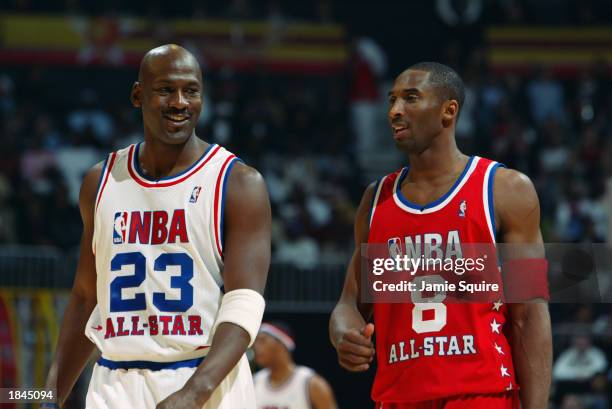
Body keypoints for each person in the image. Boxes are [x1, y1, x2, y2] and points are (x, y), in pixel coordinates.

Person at [44, 44, 271, 409]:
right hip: (115, 380)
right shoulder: (100, 182)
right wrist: (46, 397)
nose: (180, 102)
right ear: (138, 95)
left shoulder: (238, 182)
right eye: (166, 89)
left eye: (191, 90)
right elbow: (88, 296)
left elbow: (244, 303)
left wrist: (194, 393)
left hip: (205, 378)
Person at [329, 62, 552, 409]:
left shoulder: (505, 189)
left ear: (449, 111)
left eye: (410, 99)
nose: (394, 111)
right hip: (397, 398)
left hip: (480, 394)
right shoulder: (375, 200)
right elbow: (349, 304)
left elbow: (530, 315)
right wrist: (344, 334)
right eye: (391, 100)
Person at [253, 322, 338, 409]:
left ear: (282, 344)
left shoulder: (311, 383)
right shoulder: (254, 382)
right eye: (256, 342)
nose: (256, 347)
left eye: (262, 341)